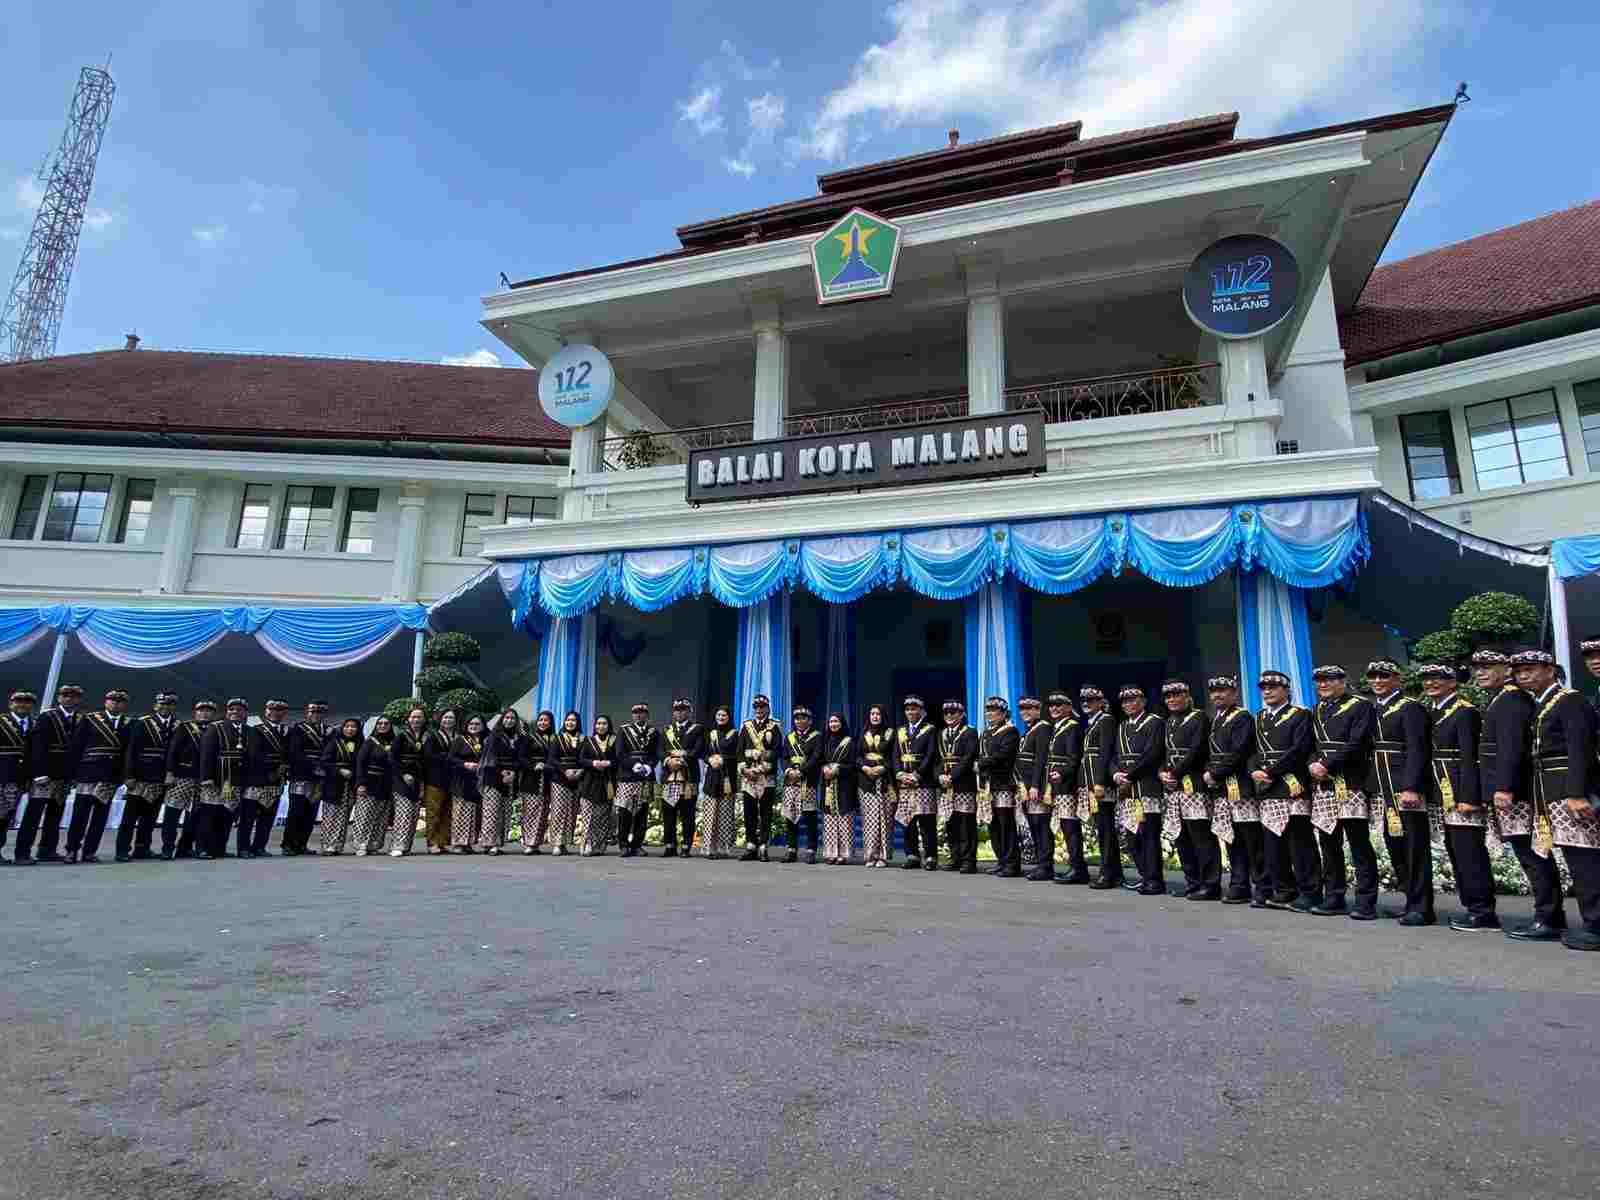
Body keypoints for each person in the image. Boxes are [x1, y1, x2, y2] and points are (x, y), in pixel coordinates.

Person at [1513, 650, 1597, 952]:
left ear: (1550, 670)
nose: (1523, 675)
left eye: (1530, 669)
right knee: (1575, 857)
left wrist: (1576, 792)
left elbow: (1580, 748)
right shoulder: (1544, 702)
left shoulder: (1569, 700)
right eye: (1519, 671)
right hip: (1548, 788)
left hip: (1567, 791)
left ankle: (1596, 924)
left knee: (1584, 858)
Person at [1474, 651, 1561, 941]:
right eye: (1477, 668)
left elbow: (1512, 748)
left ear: (1504, 670)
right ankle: (1550, 915)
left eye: (1488, 667)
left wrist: (1504, 787)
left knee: (1532, 855)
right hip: (1510, 791)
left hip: (1515, 794)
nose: (1481, 673)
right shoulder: (1503, 698)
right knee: (1529, 854)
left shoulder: (1511, 701)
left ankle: (1547, 918)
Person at [1419, 664, 1495, 932]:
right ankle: (1472, 907)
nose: (1431, 683)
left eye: (1438, 678)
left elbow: (1470, 757)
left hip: (1461, 790)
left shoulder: (1464, 712)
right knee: (1455, 850)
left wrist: (1469, 795)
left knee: (1470, 852)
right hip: (1440, 789)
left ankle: (1483, 911)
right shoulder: (1432, 710)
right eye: (1427, 679)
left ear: (1454, 683)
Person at [1364, 660, 1433, 925]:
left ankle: (1422, 907)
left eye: (1384, 676)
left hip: (1403, 788)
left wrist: (1412, 787)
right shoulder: (1376, 708)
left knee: (1414, 847)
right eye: (1374, 676)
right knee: (1395, 844)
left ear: (1397, 678)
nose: (1378, 681)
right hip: (1383, 787)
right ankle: (1410, 900)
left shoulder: (1410, 707)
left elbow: (1417, 749)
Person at [1307, 666, 1379, 919]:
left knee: (1358, 843)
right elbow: (1310, 744)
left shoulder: (1360, 705)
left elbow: (1358, 742)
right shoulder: (1316, 709)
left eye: (1330, 680)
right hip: (1323, 783)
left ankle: (1365, 901)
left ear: (1343, 681)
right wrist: (1314, 765)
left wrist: (1326, 764)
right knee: (1328, 843)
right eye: (1319, 681)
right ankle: (1334, 896)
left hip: (1350, 781)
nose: (1323, 685)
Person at [1249, 671, 1319, 912]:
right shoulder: (1259, 717)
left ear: (1286, 690)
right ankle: (1284, 889)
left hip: (1290, 784)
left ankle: (1309, 891)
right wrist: (1254, 771)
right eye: (1264, 687)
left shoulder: (1300, 715)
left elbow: (1300, 749)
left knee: (1299, 841)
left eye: (1274, 687)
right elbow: (1252, 751)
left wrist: (1269, 771)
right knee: (1273, 842)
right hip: (1266, 787)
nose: (1267, 691)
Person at [1203, 677, 1260, 905]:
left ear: (1234, 693)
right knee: (1231, 838)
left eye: (1223, 691)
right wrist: (1209, 771)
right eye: (1214, 692)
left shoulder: (1242, 717)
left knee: (1251, 840)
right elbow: (1209, 754)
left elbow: (1240, 752)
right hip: (1221, 788)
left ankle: (1263, 886)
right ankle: (1239, 885)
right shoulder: (1216, 719)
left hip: (1240, 786)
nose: (1217, 695)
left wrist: (1215, 774)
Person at [1161, 681, 1218, 901]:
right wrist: (1162, 774)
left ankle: (1210, 884)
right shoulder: (1169, 722)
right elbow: (1163, 753)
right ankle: (1192, 882)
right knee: (1182, 836)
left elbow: (1197, 750)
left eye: (1177, 695)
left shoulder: (1199, 717)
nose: (1172, 700)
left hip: (1193, 784)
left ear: (1187, 696)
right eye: (1168, 697)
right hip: (1173, 787)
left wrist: (1174, 773)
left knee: (1201, 836)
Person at [16, 682, 82, 864]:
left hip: (63, 776)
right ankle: (22, 853)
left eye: (73, 696)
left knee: (55, 815)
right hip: (45, 774)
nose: (69, 698)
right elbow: (37, 747)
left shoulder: (80, 719)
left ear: (78, 699)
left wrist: (73, 775)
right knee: (33, 815)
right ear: (59, 697)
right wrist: (38, 772)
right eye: (65, 695)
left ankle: (47, 849)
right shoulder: (47, 717)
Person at [64, 687, 131, 864]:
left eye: (120, 701)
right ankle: (71, 850)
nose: (115, 703)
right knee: (79, 816)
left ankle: (89, 851)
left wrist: (123, 776)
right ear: (106, 702)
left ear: (124, 704)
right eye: (112, 700)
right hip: (88, 774)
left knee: (100, 818)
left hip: (110, 776)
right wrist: (72, 774)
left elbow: (127, 752)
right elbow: (76, 747)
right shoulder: (90, 719)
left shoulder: (130, 723)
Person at [1112, 686, 1167, 896]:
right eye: (1125, 701)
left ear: (1143, 701)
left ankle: (1154, 879)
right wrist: (1116, 773)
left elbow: (1153, 754)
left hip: (1146, 786)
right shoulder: (1122, 726)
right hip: (1126, 789)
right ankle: (1144, 875)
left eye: (1132, 700)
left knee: (1149, 835)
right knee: (1132, 834)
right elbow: (1114, 755)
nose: (1128, 704)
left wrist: (1129, 775)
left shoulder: (1154, 722)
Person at [117, 691, 177, 862]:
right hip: (140, 776)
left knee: (150, 817)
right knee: (130, 817)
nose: (164, 707)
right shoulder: (141, 723)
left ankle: (142, 848)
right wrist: (128, 775)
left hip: (160, 777)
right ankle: (122, 850)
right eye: (161, 704)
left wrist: (170, 773)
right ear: (155, 706)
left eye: (168, 704)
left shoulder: (177, 724)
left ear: (173, 707)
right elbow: (131, 750)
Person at [1076, 687, 1122, 890]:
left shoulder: (1106, 720)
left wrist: (1100, 782)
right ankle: (1113, 871)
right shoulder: (1092, 722)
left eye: (1091, 700)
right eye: (1084, 700)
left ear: (1100, 702)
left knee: (1105, 829)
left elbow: (1105, 753)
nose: (1086, 703)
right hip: (1091, 782)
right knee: (1101, 828)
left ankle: (1108, 873)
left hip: (1100, 783)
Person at [161, 700, 214, 859]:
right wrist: (169, 772)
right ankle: (168, 848)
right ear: (195, 712)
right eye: (201, 710)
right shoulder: (184, 727)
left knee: (199, 815)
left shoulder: (215, 729)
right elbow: (173, 750)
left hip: (203, 780)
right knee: (173, 813)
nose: (205, 713)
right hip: (182, 776)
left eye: (208, 711)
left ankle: (191, 847)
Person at [198, 699, 250, 860]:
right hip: (216, 780)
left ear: (245, 713)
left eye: (239, 710)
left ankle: (219, 848)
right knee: (209, 816)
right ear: (227, 712)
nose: (235, 712)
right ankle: (203, 849)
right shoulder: (215, 728)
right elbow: (206, 754)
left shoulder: (249, 730)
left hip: (234, 782)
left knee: (227, 816)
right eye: (232, 709)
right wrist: (206, 777)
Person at [1044, 692, 1088, 885]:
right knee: (1064, 825)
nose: (1054, 708)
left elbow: (1074, 757)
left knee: (1070, 827)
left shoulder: (1072, 727)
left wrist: (1062, 772)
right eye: (1051, 705)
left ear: (1069, 707)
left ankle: (1078, 869)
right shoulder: (1058, 727)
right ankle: (1074, 866)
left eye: (1059, 705)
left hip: (1067, 784)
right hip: (1055, 784)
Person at [239, 699, 290, 859]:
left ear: (284, 713)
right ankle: (243, 848)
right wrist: (273, 768)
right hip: (256, 779)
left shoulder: (286, 731)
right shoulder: (256, 730)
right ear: (266, 712)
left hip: (276, 781)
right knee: (248, 818)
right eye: (272, 710)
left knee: (267, 817)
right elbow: (253, 754)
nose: (275, 713)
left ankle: (259, 846)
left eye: (279, 710)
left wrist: (284, 768)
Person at [976, 697, 1020, 878]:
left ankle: (1012, 864)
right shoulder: (987, 732)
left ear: (1003, 713)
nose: (990, 714)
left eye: (993, 710)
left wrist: (980, 764)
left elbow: (1003, 756)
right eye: (988, 710)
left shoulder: (1010, 732)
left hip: (1004, 783)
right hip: (988, 784)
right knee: (993, 824)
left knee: (1006, 824)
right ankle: (1001, 860)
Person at [895, 696, 940, 871]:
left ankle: (930, 856)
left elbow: (931, 755)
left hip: (922, 782)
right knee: (908, 820)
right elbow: (895, 755)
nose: (910, 712)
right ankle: (911, 855)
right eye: (907, 709)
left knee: (926, 819)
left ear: (921, 711)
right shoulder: (900, 730)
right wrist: (899, 772)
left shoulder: (930, 729)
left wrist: (917, 774)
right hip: (904, 782)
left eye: (914, 709)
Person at [1014, 697, 1054, 882]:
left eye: (1030, 709)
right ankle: (1041, 864)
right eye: (1022, 709)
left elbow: (1041, 759)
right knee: (1034, 826)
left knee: (1041, 826)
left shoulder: (1043, 728)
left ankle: (1046, 866)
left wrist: (1036, 785)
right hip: (1026, 786)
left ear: (1039, 710)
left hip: (1036, 787)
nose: (1025, 712)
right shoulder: (1029, 730)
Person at [737, 695, 780, 862]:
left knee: (766, 812)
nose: (759, 710)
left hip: (765, 775)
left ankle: (763, 846)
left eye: (762, 707)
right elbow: (740, 750)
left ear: (768, 708)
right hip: (748, 775)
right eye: (757, 707)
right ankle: (750, 846)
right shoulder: (747, 726)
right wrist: (745, 770)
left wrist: (760, 769)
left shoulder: (774, 726)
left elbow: (776, 751)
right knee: (749, 812)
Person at [937, 700, 979, 874]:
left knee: (966, 822)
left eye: (953, 713)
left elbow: (968, 758)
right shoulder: (941, 733)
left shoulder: (969, 732)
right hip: (946, 785)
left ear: (961, 714)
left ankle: (969, 860)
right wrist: (940, 775)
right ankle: (955, 857)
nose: (949, 716)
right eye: (946, 713)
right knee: (951, 822)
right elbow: (937, 758)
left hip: (963, 783)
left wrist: (952, 777)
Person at [284, 701, 331, 856]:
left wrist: (324, 768)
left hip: (319, 778)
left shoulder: (329, 730)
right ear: (307, 713)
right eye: (313, 712)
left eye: (319, 712)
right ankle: (289, 844)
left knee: (310, 813)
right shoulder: (298, 729)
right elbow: (294, 752)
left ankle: (302, 844)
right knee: (295, 812)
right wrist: (313, 767)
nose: (316, 715)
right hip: (301, 776)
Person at [659, 699, 703, 858]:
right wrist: (668, 761)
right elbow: (660, 750)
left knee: (688, 813)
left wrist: (683, 760)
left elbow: (699, 748)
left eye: (683, 710)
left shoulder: (697, 729)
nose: (679, 712)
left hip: (688, 775)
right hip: (670, 776)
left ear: (689, 712)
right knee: (669, 812)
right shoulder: (666, 730)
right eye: (677, 710)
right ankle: (670, 845)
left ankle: (686, 846)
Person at [615, 702, 660, 858]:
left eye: (642, 712)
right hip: (628, 775)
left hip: (646, 776)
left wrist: (650, 766)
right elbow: (620, 753)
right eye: (636, 712)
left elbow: (657, 753)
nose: (639, 715)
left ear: (647, 715)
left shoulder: (654, 731)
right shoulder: (623, 730)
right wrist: (633, 765)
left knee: (642, 811)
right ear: (632, 714)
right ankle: (623, 845)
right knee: (625, 811)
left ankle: (637, 845)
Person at [781, 706, 823, 863]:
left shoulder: (817, 737)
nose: (799, 721)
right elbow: (784, 757)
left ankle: (811, 849)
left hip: (808, 781)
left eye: (803, 718)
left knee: (809, 816)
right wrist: (788, 770)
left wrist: (802, 771)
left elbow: (816, 757)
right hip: (791, 781)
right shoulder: (789, 737)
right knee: (790, 816)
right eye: (797, 718)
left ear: (810, 721)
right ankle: (791, 849)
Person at [478, 710, 522, 855]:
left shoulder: (517, 738)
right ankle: (489, 843)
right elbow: (489, 759)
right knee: (491, 812)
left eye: (512, 718)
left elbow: (520, 759)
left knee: (504, 812)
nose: (509, 720)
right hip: (493, 778)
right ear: (502, 719)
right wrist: (502, 772)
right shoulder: (494, 737)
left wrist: (513, 773)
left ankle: (496, 842)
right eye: (507, 718)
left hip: (509, 779)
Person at [857, 704, 896, 867]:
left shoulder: (890, 733)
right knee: (869, 820)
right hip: (866, 781)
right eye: (872, 713)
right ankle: (870, 856)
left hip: (885, 781)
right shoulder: (863, 733)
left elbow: (894, 755)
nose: (875, 716)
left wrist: (883, 767)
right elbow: (857, 755)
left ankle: (883, 856)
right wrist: (864, 767)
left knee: (884, 819)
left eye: (878, 714)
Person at [318, 718, 363, 855]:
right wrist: (339, 771)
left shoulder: (361, 744)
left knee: (344, 817)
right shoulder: (334, 743)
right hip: (334, 785)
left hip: (349, 786)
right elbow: (324, 762)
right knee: (331, 816)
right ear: (342, 728)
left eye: (353, 727)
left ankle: (337, 846)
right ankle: (327, 846)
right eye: (347, 726)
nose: (350, 729)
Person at [699, 706, 739, 859]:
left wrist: (723, 759)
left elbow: (737, 754)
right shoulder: (711, 733)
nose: (721, 717)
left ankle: (723, 849)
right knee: (710, 814)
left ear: (729, 717)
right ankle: (709, 848)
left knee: (725, 814)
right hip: (712, 777)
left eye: (724, 715)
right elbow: (703, 752)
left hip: (727, 777)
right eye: (719, 715)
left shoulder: (735, 734)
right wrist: (710, 759)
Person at [0, 690, 35, 864]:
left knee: (7, 817)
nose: (23, 704)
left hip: (20, 779)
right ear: (10, 703)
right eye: (18, 700)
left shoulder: (34, 724)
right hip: (2, 776)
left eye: (27, 701)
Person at [352, 715, 395, 857]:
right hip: (369, 782)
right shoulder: (369, 742)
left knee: (381, 817)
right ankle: (361, 844)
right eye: (380, 724)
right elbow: (360, 763)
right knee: (364, 816)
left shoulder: (394, 742)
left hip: (385, 784)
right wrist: (360, 784)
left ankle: (374, 845)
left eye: (386, 723)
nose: (382, 726)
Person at [388, 706, 428, 857]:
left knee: (413, 814)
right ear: (408, 719)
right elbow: (393, 758)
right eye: (414, 717)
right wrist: (403, 774)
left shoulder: (427, 736)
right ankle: (397, 845)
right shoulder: (401, 736)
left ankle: (406, 846)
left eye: (419, 717)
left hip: (418, 778)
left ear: (424, 719)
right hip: (402, 778)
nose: (416, 720)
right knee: (403, 813)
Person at [820, 713, 858, 865]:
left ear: (842, 723)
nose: (833, 724)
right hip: (828, 784)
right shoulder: (825, 740)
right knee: (829, 819)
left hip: (844, 785)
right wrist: (824, 769)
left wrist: (838, 768)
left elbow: (853, 764)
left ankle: (844, 854)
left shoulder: (849, 742)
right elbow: (820, 760)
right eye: (831, 721)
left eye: (836, 721)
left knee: (844, 819)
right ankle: (831, 853)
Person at [579, 714, 618, 855]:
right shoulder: (588, 740)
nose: (601, 726)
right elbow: (581, 759)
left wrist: (609, 763)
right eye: (598, 723)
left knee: (602, 816)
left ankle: (599, 846)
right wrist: (593, 763)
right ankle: (587, 844)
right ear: (595, 726)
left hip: (607, 783)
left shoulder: (614, 740)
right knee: (588, 815)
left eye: (604, 724)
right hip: (590, 782)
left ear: (609, 726)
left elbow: (619, 759)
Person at [520, 710, 556, 856]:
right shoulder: (529, 738)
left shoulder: (555, 738)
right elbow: (521, 757)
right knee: (530, 811)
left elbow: (556, 757)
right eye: (540, 720)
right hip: (531, 778)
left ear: (550, 722)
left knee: (542, 813)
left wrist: (547, 766)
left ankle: (537, 843)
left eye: (546, 720)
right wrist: (533, 766)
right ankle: (529, 843)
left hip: (547, 778)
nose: (543, 723)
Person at [547, 711, 583, 856]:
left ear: (578, 722)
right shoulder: (558, 738)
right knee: (559, 811)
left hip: (576, 778)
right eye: (568, 720)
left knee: (571, 811)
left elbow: (585, 758)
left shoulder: (583, 739)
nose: (570, 723)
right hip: (560, 778)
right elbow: (552, 759)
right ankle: (556, 843)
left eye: (573, 720)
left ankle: (565, 843)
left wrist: (580, 771)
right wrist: (565, 771)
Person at [423, 710, 458, 854]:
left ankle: (443, 841)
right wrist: (448, 756)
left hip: (452, 779)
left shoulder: (458, 736)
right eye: (446, 717)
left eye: (451, 718)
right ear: (440, 719)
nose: (448, 720)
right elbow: (428, 755)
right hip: (435, 779)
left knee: (447, 812)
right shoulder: (433, 736)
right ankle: (432, 842)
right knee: (434, 812)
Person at [450, 715, 486, 853]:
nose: (474, 726)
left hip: (478, 780)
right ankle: (458, 843)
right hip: (462, 779)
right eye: (471, 723)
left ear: (482, 725)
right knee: (460, 812)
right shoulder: (460, 740)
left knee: (473, 812)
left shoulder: (485, 740)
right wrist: (464, 764)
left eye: (477, 724)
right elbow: (451, 758)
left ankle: (469, 842)